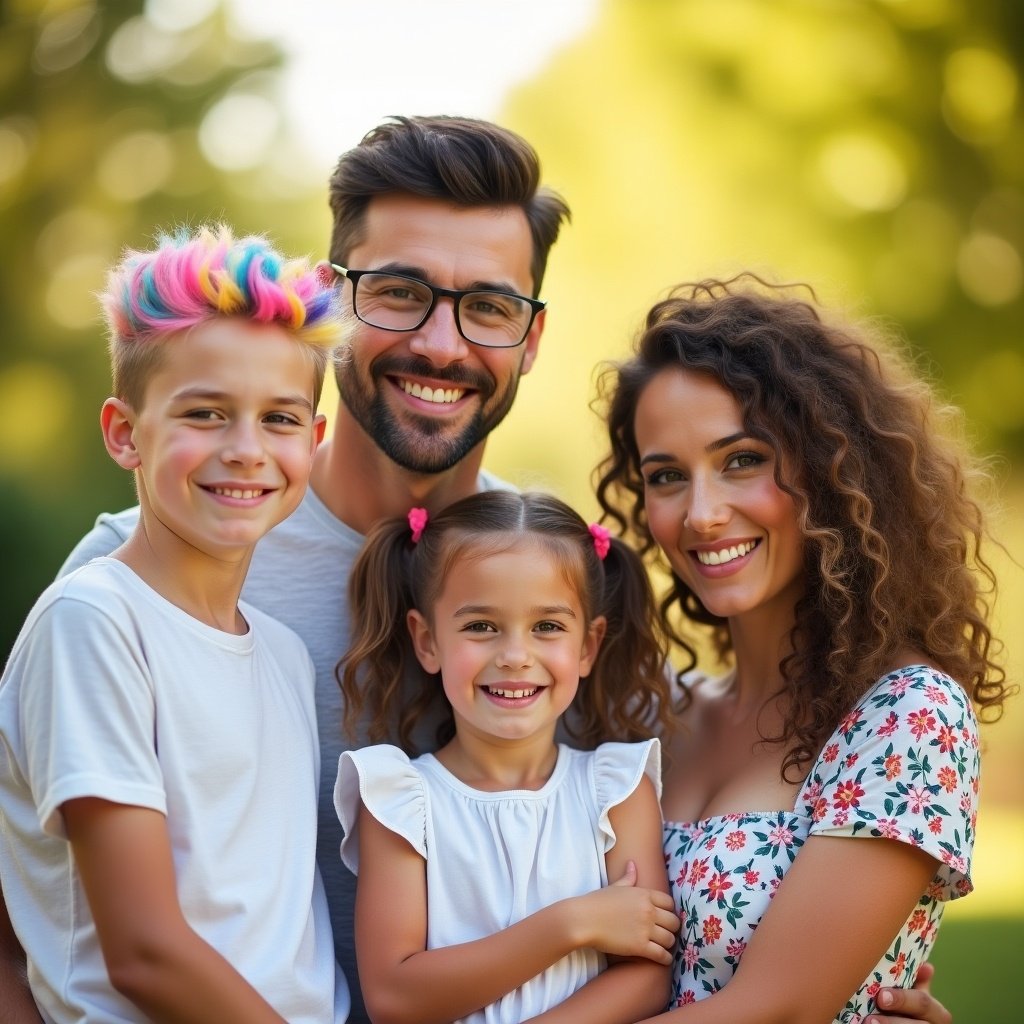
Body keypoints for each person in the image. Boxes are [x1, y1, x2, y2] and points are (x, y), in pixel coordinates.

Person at [1, 115, 953, 1024]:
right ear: (338, 305)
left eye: (489, 307)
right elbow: (26, 922)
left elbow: (712, 901)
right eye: (400, 291)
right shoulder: (149, 579)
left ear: (531, 339)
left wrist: (861, 985)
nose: (441, 344)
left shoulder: (543, 584)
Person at [593, 275, 1010, 1024]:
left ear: (832, 466)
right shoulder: (644, 711)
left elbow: (775, 1009)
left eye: (743, 459)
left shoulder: (906, 719)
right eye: (665, 476)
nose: (703, 513)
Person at [0, 226, 348, 1022]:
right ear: (126, 432)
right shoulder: (94, 623)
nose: (247, 450)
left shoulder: (284, 654)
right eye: (206, 413)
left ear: (315, 442)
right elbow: (145, 952)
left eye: (281, 420)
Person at [334, 490, 678, 1024]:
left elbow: (647, 976)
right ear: (427, 641)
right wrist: (569, 925)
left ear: (587, 647)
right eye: (480, 626)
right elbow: (394, 998)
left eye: (547, 627)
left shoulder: (617, 790)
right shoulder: (400, 802)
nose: (515, 656)